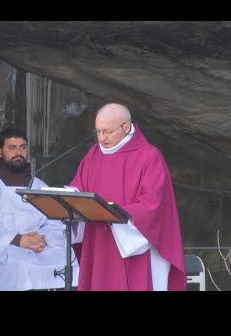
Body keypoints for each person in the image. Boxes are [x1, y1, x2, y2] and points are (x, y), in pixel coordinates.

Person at [69, 103, 186, 291]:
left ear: (125, 127)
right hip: (98, 242)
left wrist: (112, 213)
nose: (101, 138)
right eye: (98, 131)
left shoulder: (149, 156)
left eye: (107, 131)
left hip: (131, 244)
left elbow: (153, 206)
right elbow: (78, 188)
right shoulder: (93, 155)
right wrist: (72, 202)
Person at [0, 127, 79, 291]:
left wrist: (42, 238)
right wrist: (19, 240)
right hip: (2, 249)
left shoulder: (37, 185)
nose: (18, 152)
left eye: (23, 147)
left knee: (67, 261)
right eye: (12, 148)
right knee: (22, 268)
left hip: (38, 246)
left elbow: (54, 221)